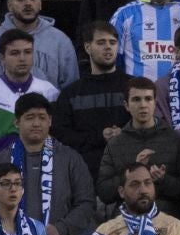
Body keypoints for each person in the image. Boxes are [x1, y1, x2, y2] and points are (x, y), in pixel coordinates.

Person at [0, 94, 96, 235]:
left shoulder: (70, 158)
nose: (36, 123)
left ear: (50, 121)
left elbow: (86, 203)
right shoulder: (0, 161)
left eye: (42, 117)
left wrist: (61, 229)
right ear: (16, 122)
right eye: (29, 117)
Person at [53, 23, 132, 181]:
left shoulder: (133, 87)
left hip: (128, 173)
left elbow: (149, 125)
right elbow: (61, 134)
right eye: (101, 42)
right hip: (84, 175)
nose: (108, 47)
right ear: (88, 47)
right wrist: (99, 136)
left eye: (112, 42)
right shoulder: (71, 93)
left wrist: (124, 134)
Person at [97, 78, 180, 216]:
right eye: (136, 99)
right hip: (126, 222)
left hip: (165, 222)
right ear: (126, 105)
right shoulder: (115, 144)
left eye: (148, 99)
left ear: (155, 103)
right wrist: (132, 171)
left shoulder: (175, 140)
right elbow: (104, 193)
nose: (143, 105)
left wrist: (163, 180)